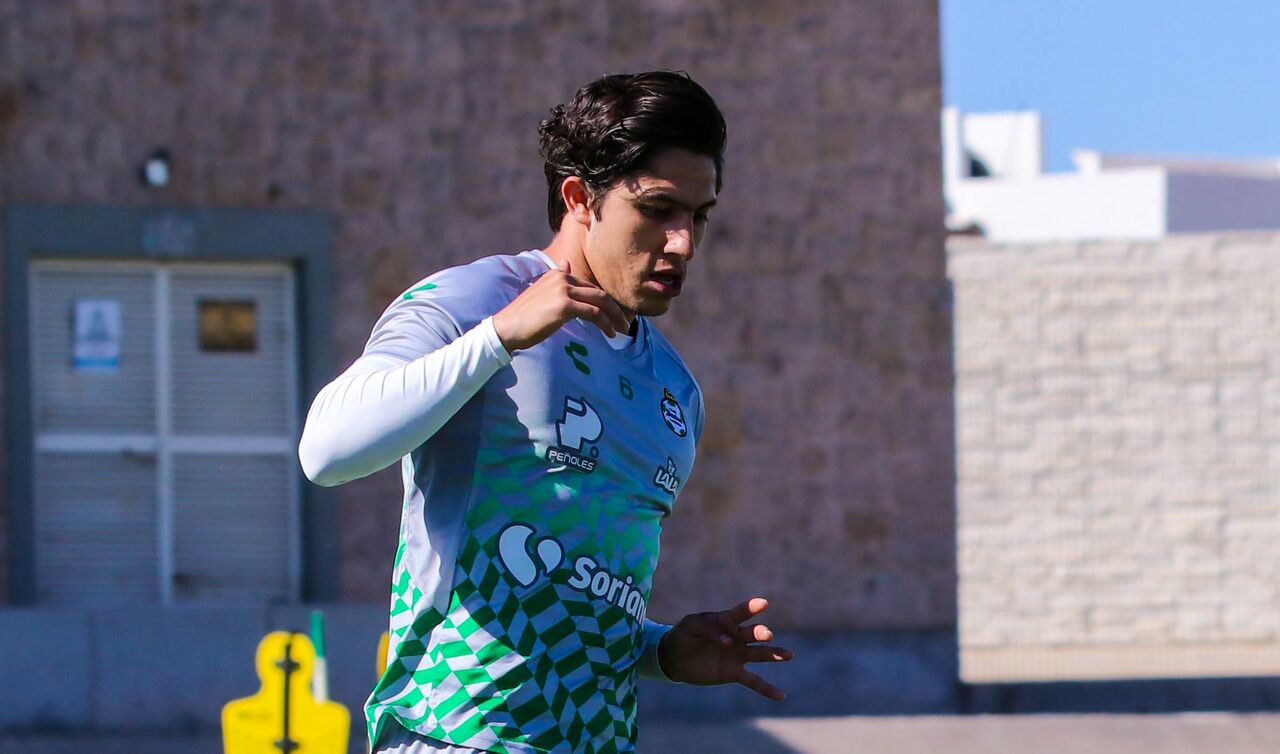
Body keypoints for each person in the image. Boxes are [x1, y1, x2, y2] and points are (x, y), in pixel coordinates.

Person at [299, 70, 793, 754]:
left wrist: (664, 653)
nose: (683, 243)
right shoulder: (473, 302)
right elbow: (326, 452)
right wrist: (498, 337)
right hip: (455, 737)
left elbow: (578, 592)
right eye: (657, 210)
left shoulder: (674, 393)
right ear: (578, 199)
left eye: (698, 216)